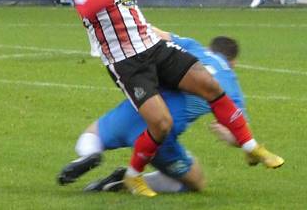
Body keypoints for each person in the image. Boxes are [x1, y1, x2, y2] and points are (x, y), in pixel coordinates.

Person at [70, 0, 282, 197]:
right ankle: (133, 177)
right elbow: (87, 9)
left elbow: (133, 18)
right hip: (128, 62)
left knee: (208, 83)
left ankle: (251, 147)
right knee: (161, 124)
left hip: (154, 48)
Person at [58, 31, 284, 194]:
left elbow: (158, 33)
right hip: (161, 134)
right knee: (196, 180)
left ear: (209, 49)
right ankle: (125, 181)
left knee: (93, 134)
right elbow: (237, 128)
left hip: (139, 108)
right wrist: (231, 139)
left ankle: (89, 154)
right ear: (233, 62)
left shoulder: (193, 48)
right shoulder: (231, 84)